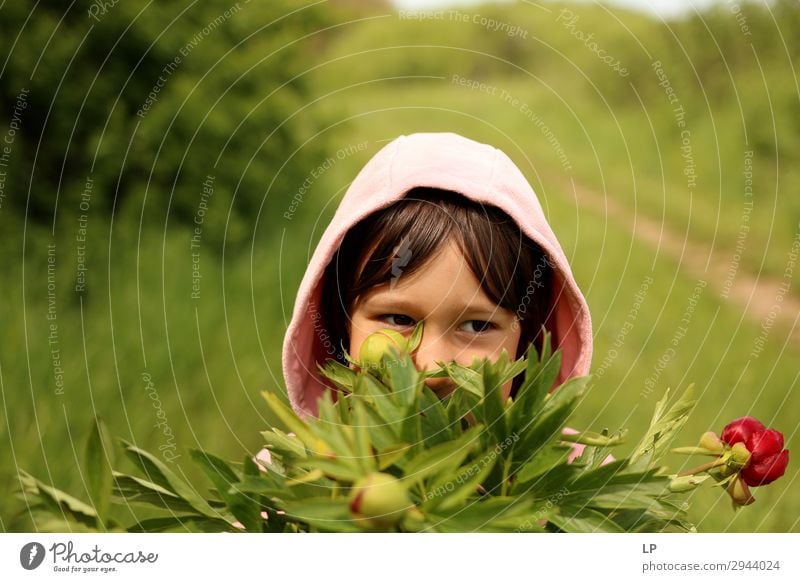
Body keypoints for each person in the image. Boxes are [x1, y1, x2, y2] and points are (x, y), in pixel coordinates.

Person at [282, 131, 592, 419]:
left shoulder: (570, 473)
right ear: (341, 324)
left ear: (526, 341)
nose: (432, 369)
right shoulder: (295, 475)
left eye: (477, 325)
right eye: (398, 319)